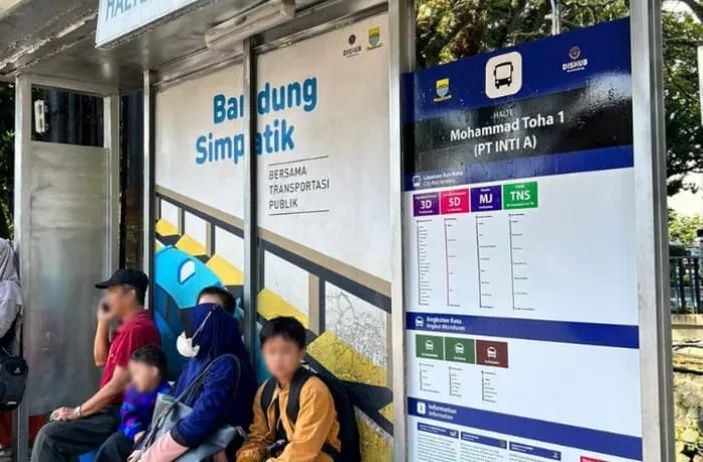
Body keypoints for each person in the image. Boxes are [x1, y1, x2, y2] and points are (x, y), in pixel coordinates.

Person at [31, 269, 160, 462]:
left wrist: (76, 412)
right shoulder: (127, 328)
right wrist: (102, 322)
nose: (107, 299)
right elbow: (101, 360)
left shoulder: (137, 329)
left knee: (50, 436)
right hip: (112, 409)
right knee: (54, 421)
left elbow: (116, 386)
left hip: (122, 412)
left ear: (131, 294)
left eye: (112, 292)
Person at [134, 286, 256, 462]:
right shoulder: (199, 358)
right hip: (177, 444)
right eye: (199, 311)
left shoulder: (227, 363)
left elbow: (203, 418)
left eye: (209, 312)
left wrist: (152, 456)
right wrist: (145, 445)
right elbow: (172, 403)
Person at [236, 317, 341, 462]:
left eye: (286, 351)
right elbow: (258, 437)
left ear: (301, 352)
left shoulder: (313, 391)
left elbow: (304, 450)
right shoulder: (265, 390)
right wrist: (247, 458)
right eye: (271, 352)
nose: (278, 359)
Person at [95, 345, 170, 462]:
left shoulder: (169, 394)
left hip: (159, 440)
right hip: (133, 434)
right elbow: (128, 415)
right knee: (113, 445)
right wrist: (136, 433)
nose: (133, 378)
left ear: (153, 372)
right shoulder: (134, 393)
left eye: (137, 373)